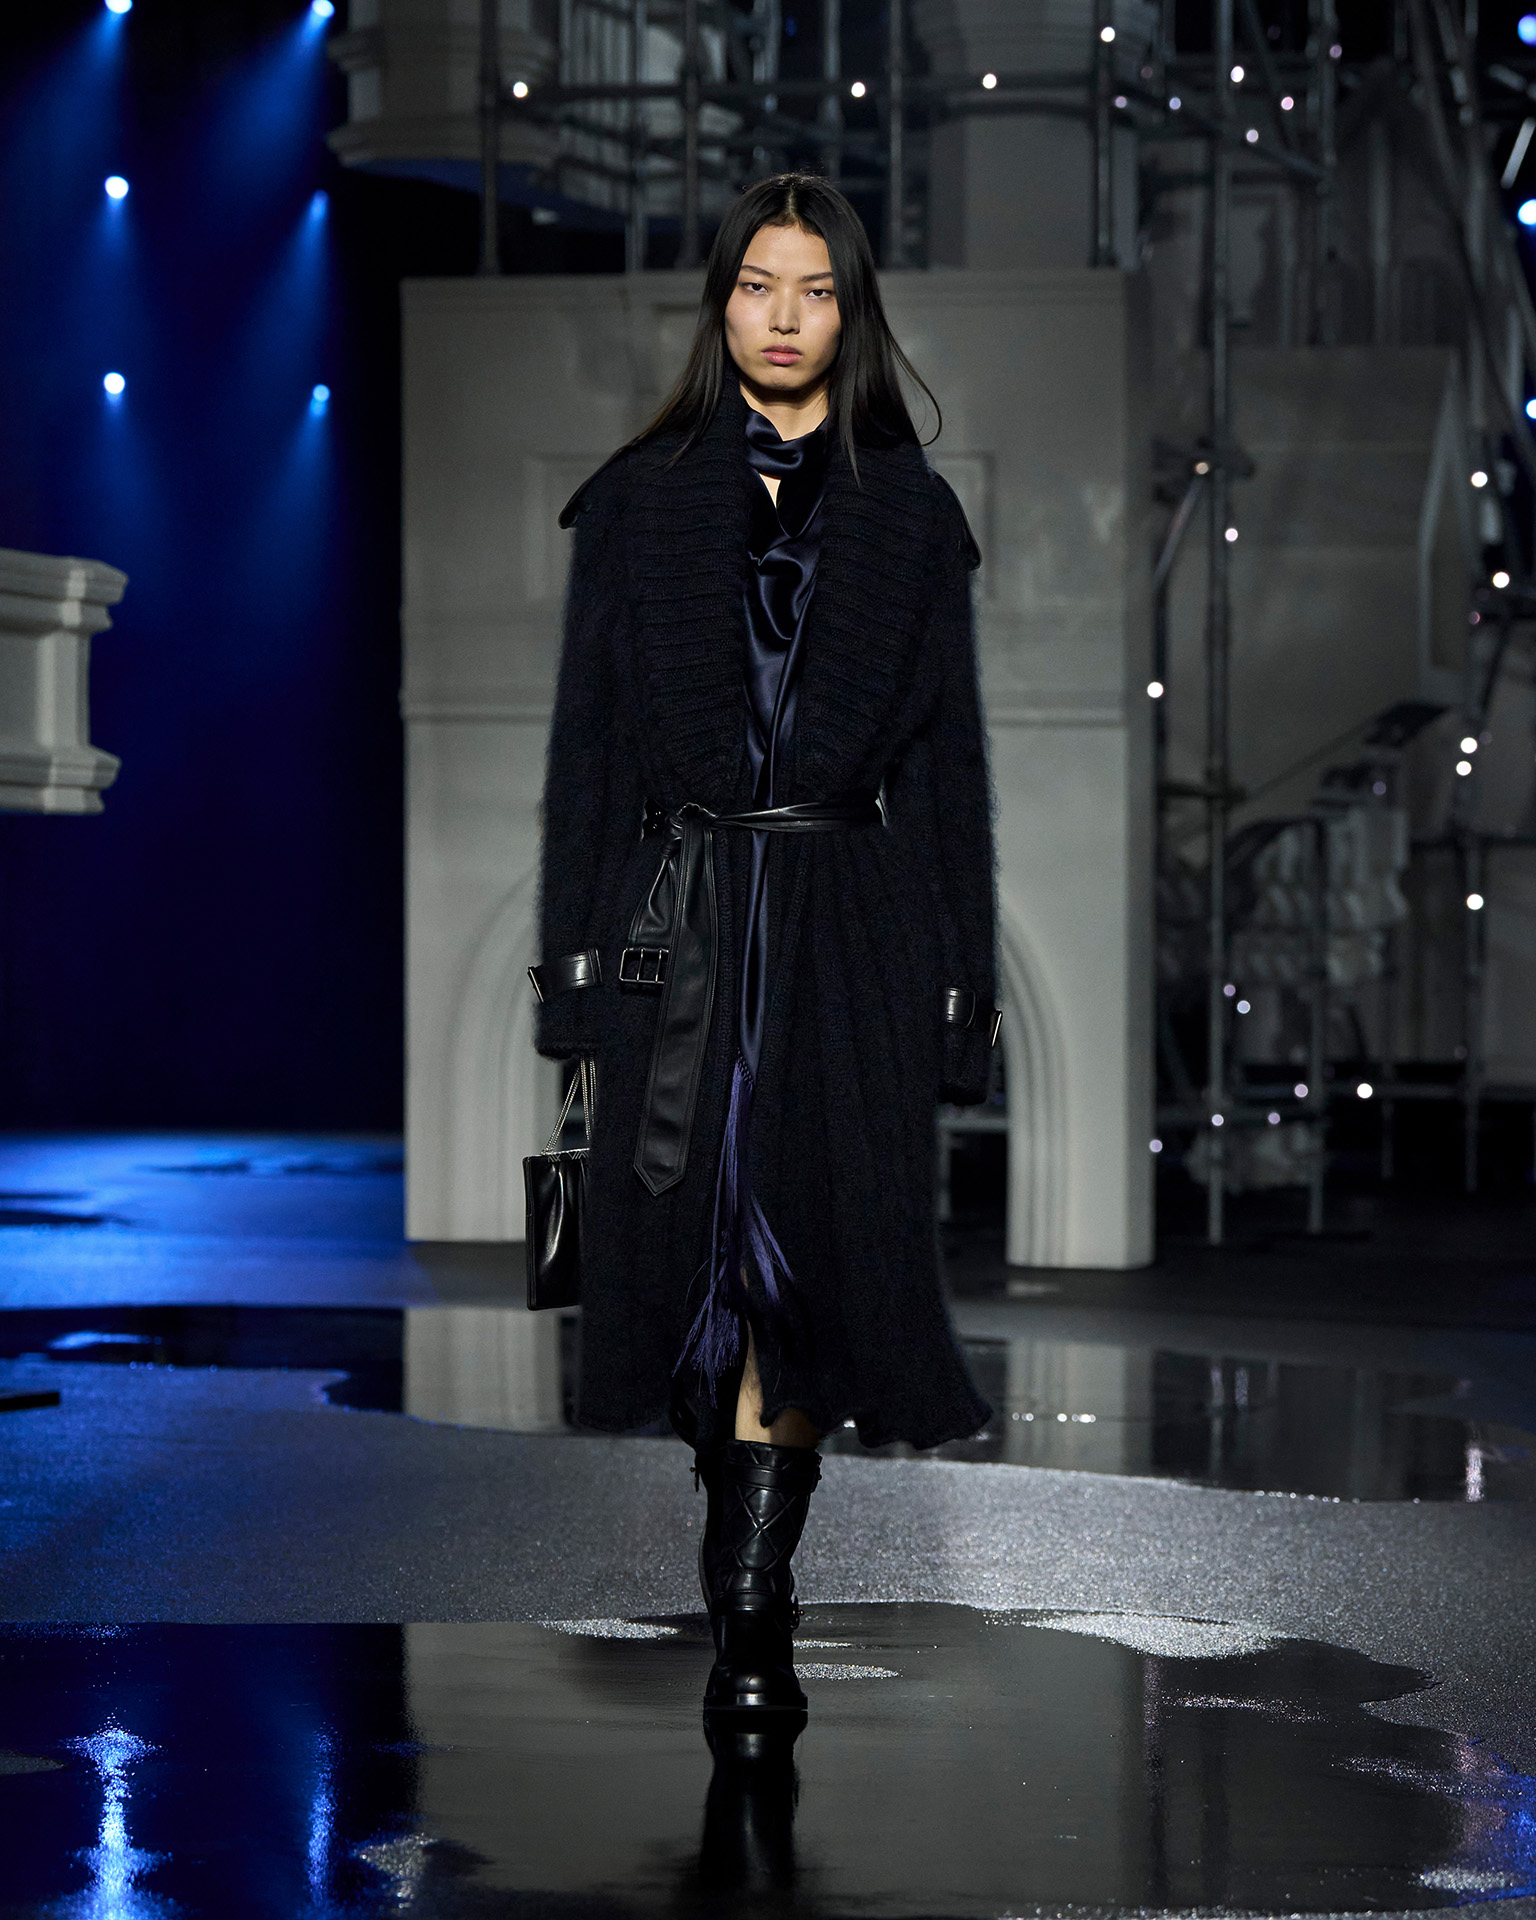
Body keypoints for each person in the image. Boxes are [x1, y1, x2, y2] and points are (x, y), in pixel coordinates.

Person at [531, 172, 998, 1726]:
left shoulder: (912, 518)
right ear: (720, 301)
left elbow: (949, 772)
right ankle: (740, 1549)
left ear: (853, 314)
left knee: (802, 1273)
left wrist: (960, 990)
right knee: (689, 1278)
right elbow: (588, 756)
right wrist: (572, 974)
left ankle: (750, 1600)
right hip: (676, 934)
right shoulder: (634, 504)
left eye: (815, 290)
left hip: (847, 933)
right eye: (757, 285)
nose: (784, 318)